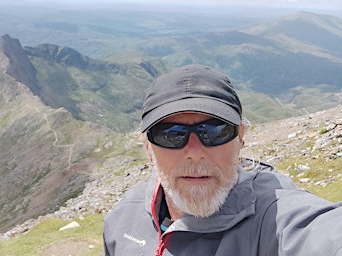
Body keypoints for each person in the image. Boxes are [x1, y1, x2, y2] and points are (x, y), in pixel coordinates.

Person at [102, 64, 342, 256]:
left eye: (215, 131)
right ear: (147, 146)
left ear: (240, 139)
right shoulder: (123, 218)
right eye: (171, 135)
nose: (195, 152)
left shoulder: (273, 217)